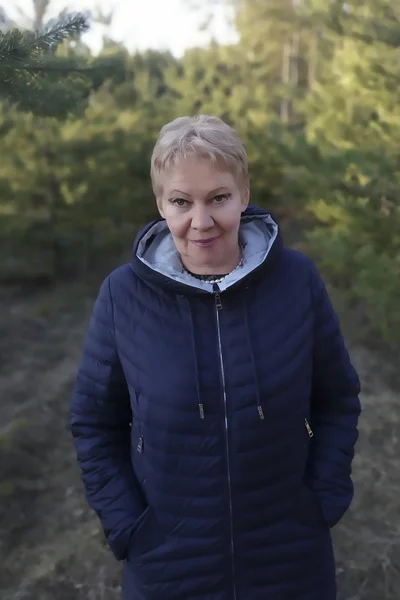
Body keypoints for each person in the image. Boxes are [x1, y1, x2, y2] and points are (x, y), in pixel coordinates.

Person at [70, 114, 361, 600]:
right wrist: (128, 524)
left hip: (290, 559)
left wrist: (323, 498)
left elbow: (337, 398)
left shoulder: (297, 281)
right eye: (181, 201)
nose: (200, 222)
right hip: (169, 565)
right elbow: (94, 422)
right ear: (161, 204)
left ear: (244, 195)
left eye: (218, 198)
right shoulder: (123, 296)